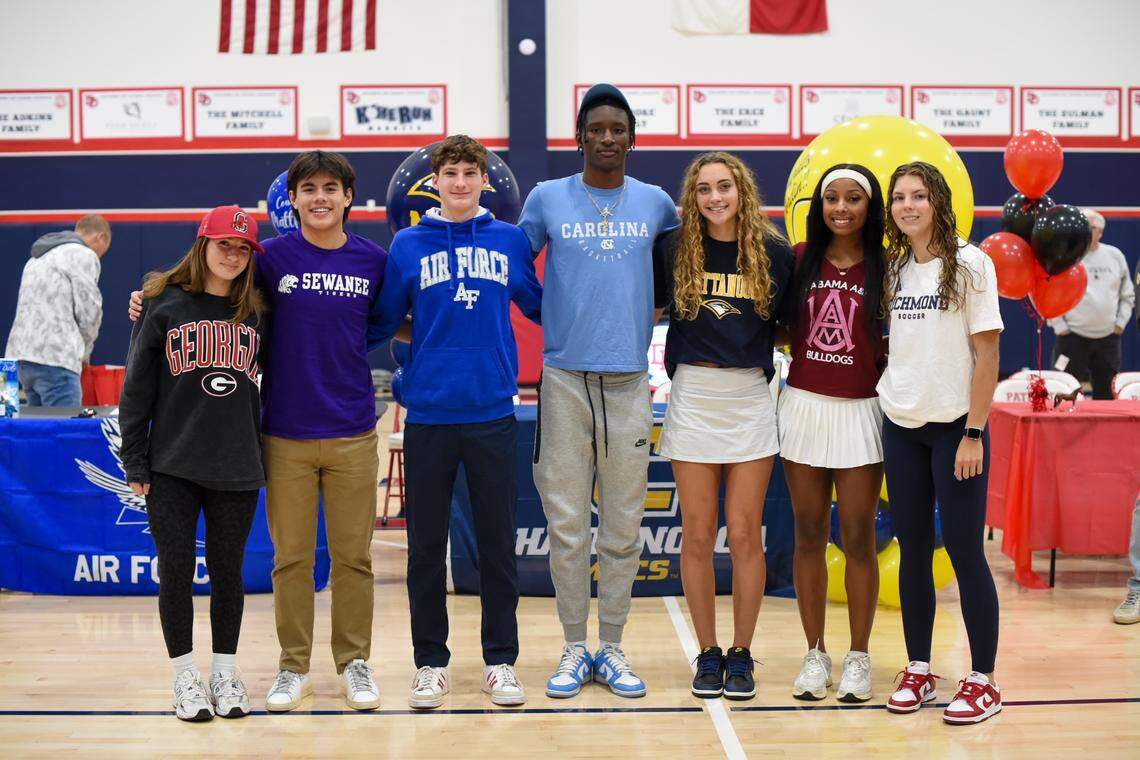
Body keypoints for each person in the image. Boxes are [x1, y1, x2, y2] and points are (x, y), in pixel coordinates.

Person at [131, 151, 387, 712]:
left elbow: (387, 323)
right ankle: (292, 666)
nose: (320, 197)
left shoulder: (374, 260)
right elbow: (200, 291)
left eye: (331, 188)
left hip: (352, 429)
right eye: (309, 188)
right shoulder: (265, 258)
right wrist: (146, 301)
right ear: (290, 200)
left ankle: (355, 662)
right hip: (283, 432)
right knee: (290, 558)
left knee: (354, 558)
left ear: (348, 197)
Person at [368, 135, 542, 708]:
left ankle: (500, 661)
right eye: (452, 173)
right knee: (424, 548)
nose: (462, 181)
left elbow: (542, 305)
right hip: (430, 416)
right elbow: (387, 320)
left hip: (493, 412)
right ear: (435, 182)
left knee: (496, 544)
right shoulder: (407, 245)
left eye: (472, 172)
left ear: (484, 181)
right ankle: (430, 663)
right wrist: (438, 345)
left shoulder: (510, 240)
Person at [517, 83, 679, 699]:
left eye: (618, 128)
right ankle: (571, 647)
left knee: (622, 523)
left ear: (631, 138)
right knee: (566, 525)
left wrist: (650, 307)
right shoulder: (546, 199)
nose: (607, 137)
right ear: (579, 136)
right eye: (597, 128)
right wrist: (549, 312)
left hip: (631, 380)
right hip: (563, 380)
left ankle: (611, 647)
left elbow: (682, 266)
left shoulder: (658, 203)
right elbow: (512, 264)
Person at [652, 152, 793, 700]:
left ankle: (741, 654)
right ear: (693, 196)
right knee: (697, 532)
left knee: (742, 531)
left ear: (742, 191)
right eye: (704, 189)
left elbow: (786, 328)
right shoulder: (673, 248)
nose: (714, 197)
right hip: (694, 395)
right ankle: (706, 654)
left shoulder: (774, 251)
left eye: (724, 187)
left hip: (750, 400)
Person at [119, 206, 266, 721]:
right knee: (175, 573)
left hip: (238, 463)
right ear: (202, 243)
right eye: (225, 243)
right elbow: (135, 391)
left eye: (243, 247)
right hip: (172, 466)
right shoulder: (162, 304)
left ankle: (225, 673)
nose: (233, 254)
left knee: (229, 574)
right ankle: (185, 676)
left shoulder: (258, 310)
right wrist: (135, 462)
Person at [878, 161, 1003, 725]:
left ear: (938, 202)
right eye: (900, 197)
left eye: (918, 196)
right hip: (902, 427)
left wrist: (974, 432)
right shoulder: (896, 267)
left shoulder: (971, 263)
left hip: (957, 430)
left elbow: (988, 356)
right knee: (912, 553)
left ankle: (982, 680)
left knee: (963, 550)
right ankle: (920, 666)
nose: (908, 206)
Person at [780, 164, 887, 703]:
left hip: (861, 411)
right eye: (831, 199)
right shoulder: (799, 260)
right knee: (807, 531)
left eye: (853, 199)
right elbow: (775, 325)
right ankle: (815, 653)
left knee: (860, 534)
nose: (841, 208)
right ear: (819, 206)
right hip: (802, 405)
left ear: (870, 208)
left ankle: (860, 657)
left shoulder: (888, 269)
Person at [6, 214, 111, 407]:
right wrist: (84, 353)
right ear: (100, 238)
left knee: (31, 433)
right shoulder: (83, 254)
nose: (99, 256)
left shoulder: (37, 258)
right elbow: (89, 312)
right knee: (64, 433)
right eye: (102, 251)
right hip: (56, 357)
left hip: (20, 359)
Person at [1047, 208, 1134, 399]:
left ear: (1100, 232)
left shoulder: (1115, 256)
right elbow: (1049, 292)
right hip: (1071, 338)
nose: (1084, 229)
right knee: (1064, 391)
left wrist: (1120, 323)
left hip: (1107, 339)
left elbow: (1127, 295)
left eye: (1090, 226)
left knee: (1106, 396)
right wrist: (1059, 325)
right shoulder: (1065, 255)